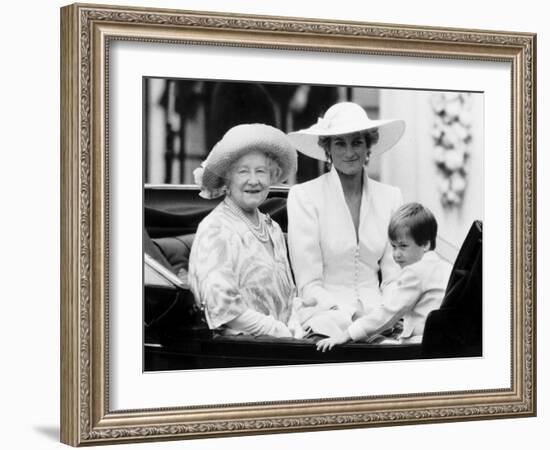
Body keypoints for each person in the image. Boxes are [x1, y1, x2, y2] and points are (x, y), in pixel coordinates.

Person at [287, 102, 406, 337]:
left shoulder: (391, 197)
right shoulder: (304, 196)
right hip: (325, 316)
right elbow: (308, 283)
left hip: (381, 317)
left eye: (357, 142)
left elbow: (395, 277)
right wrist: (347, 318)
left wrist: (385, 315)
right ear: (327, 148)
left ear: (368, 146)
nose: (349, 152)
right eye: (340, 143)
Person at [189, 123, 301, 338]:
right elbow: (223, 309)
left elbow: (289, 294)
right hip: (243, 350)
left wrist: (295, 324)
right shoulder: (215, 229)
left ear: (272, 177)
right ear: (226, 181)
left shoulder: (273, 228)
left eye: (261, 171)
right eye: (243, 171)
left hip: (285, 346)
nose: (254, 180)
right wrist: (278, 331)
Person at [316, 203, 452, 351]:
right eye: (393, 246)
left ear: (425, 244)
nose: (396, 254)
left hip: (419, 345)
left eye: (403, 246)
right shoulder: (443, 266)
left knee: (369, 341)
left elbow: (388, 313)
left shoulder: (415, 272)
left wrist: (347, 334)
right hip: (441, 340)